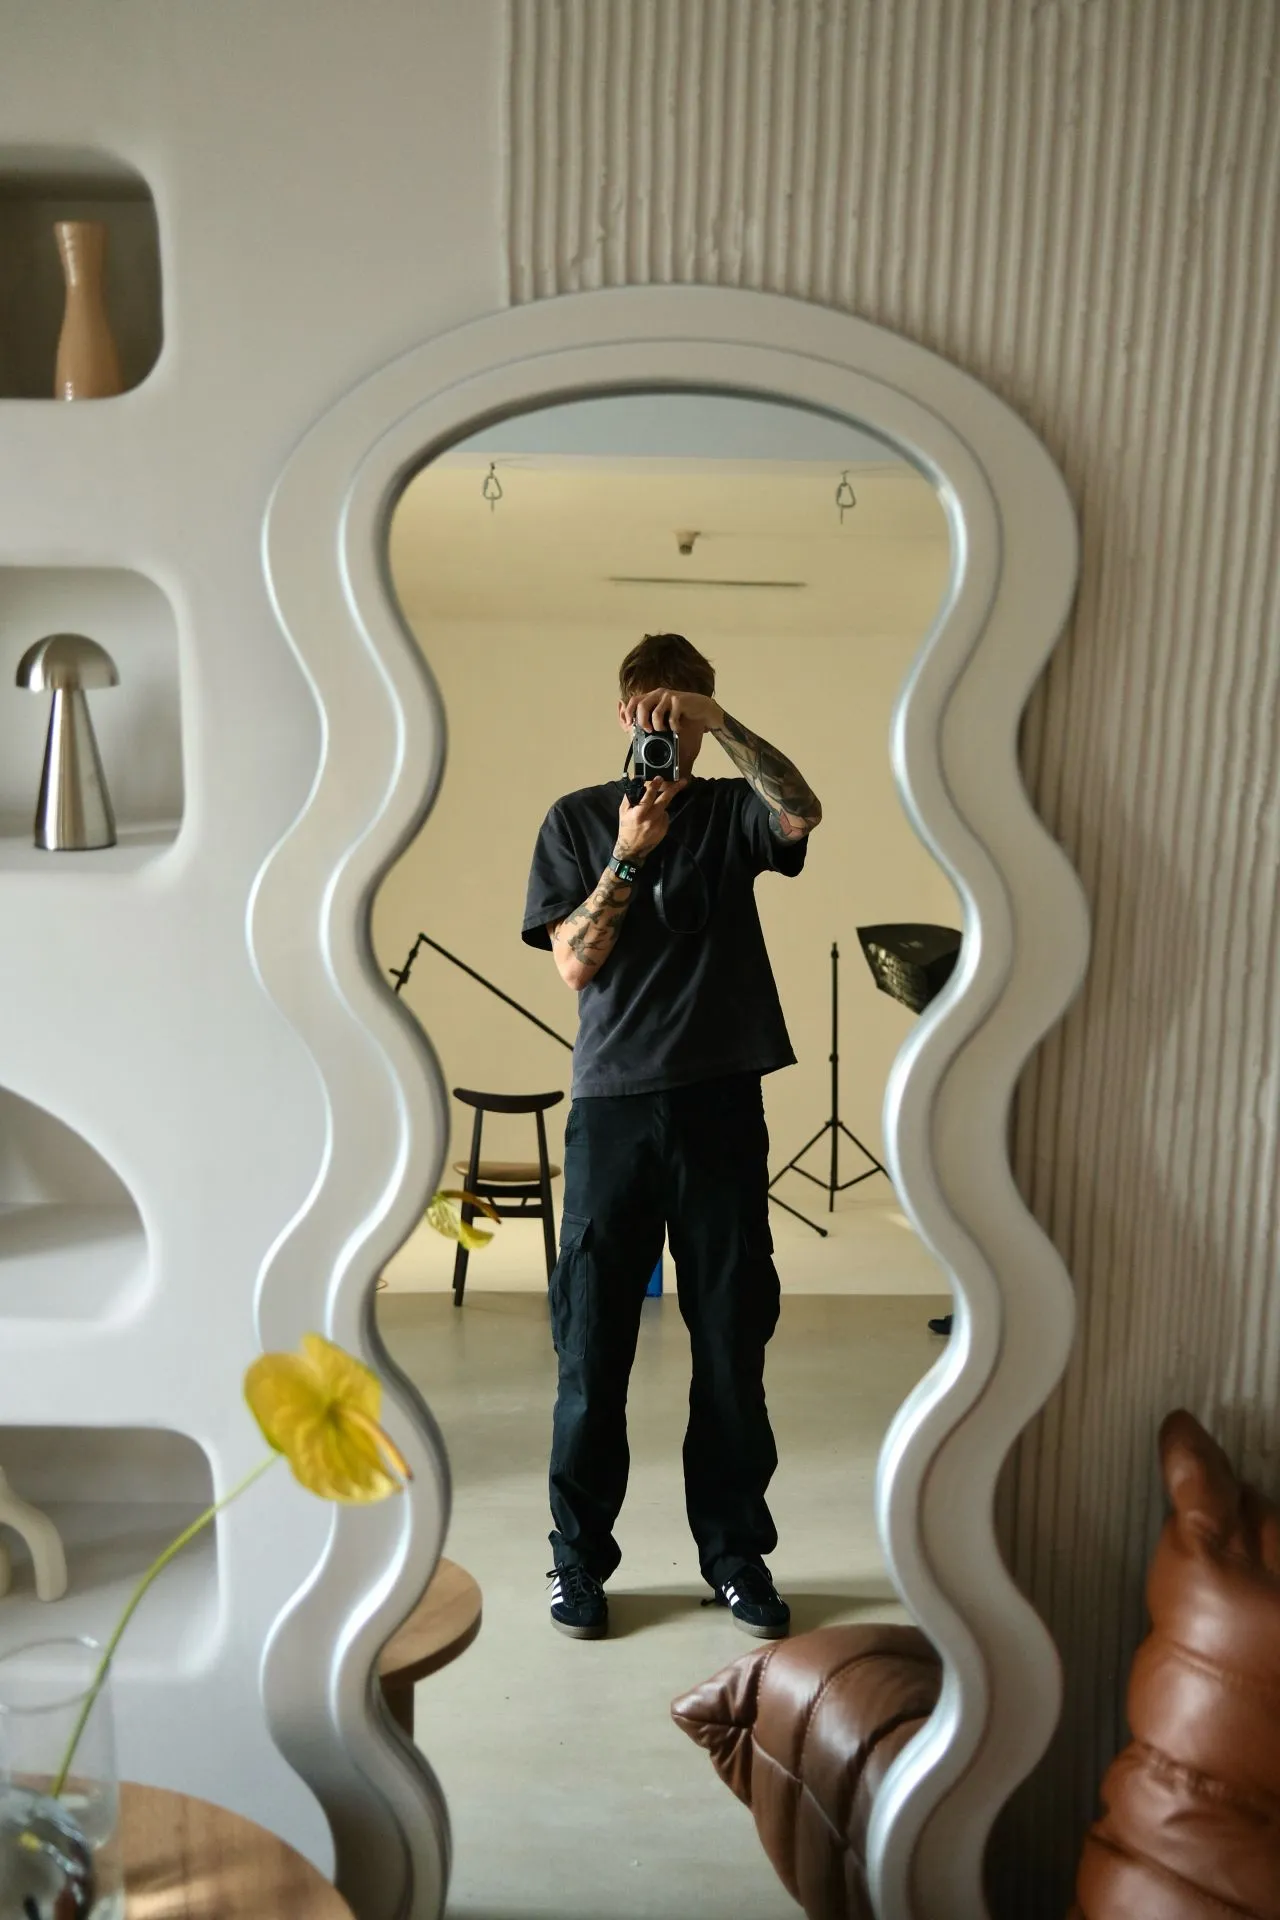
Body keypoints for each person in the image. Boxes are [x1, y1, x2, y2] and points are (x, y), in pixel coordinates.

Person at [522, 632, 823, 1641]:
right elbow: (572, 963)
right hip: (611, 1108)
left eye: (683, 715)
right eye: (655, 714)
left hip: (721, 1103)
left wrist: (721, 728)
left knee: (733, 1346)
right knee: (590, 1350)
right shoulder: (574, 822)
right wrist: (626, 854)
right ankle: (576, 1567)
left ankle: (735, 1559)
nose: (667, 736)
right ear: (623, 716)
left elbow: (798, 810)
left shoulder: (733, 810)